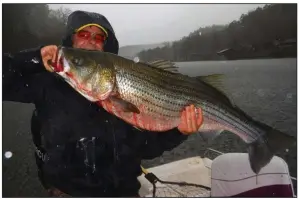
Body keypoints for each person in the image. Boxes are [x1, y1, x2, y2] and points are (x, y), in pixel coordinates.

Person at [3, 10, 202, 197]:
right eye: (83, 34)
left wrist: (178, 132)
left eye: (98, 37)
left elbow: (147, 148)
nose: (90, 41)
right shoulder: (47, 82)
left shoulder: (121, 92)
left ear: (105, 46)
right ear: (71, 38)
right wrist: (33, 58)